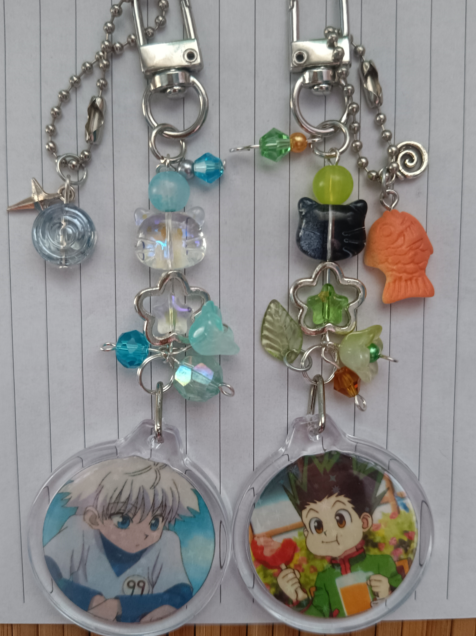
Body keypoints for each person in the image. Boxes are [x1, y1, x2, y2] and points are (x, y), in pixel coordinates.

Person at [44, 456, 199, 623]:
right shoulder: (80, 530)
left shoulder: (166, 542)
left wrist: (118, 606)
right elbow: (48, 573)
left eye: (154, 523)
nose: (143, 534)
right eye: (123, 521)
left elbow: (181, 596)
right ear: (94, 519)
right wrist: (91, 600)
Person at [278, 453, 402, 617]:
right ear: (307, 533)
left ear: (364, 522)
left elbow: (402, 597)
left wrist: (387, 593)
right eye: (317, 526)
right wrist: (297, 596)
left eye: (340, 520)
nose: (328, 532)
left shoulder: (382, 563)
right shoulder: (324, 578)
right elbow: (318, 616)